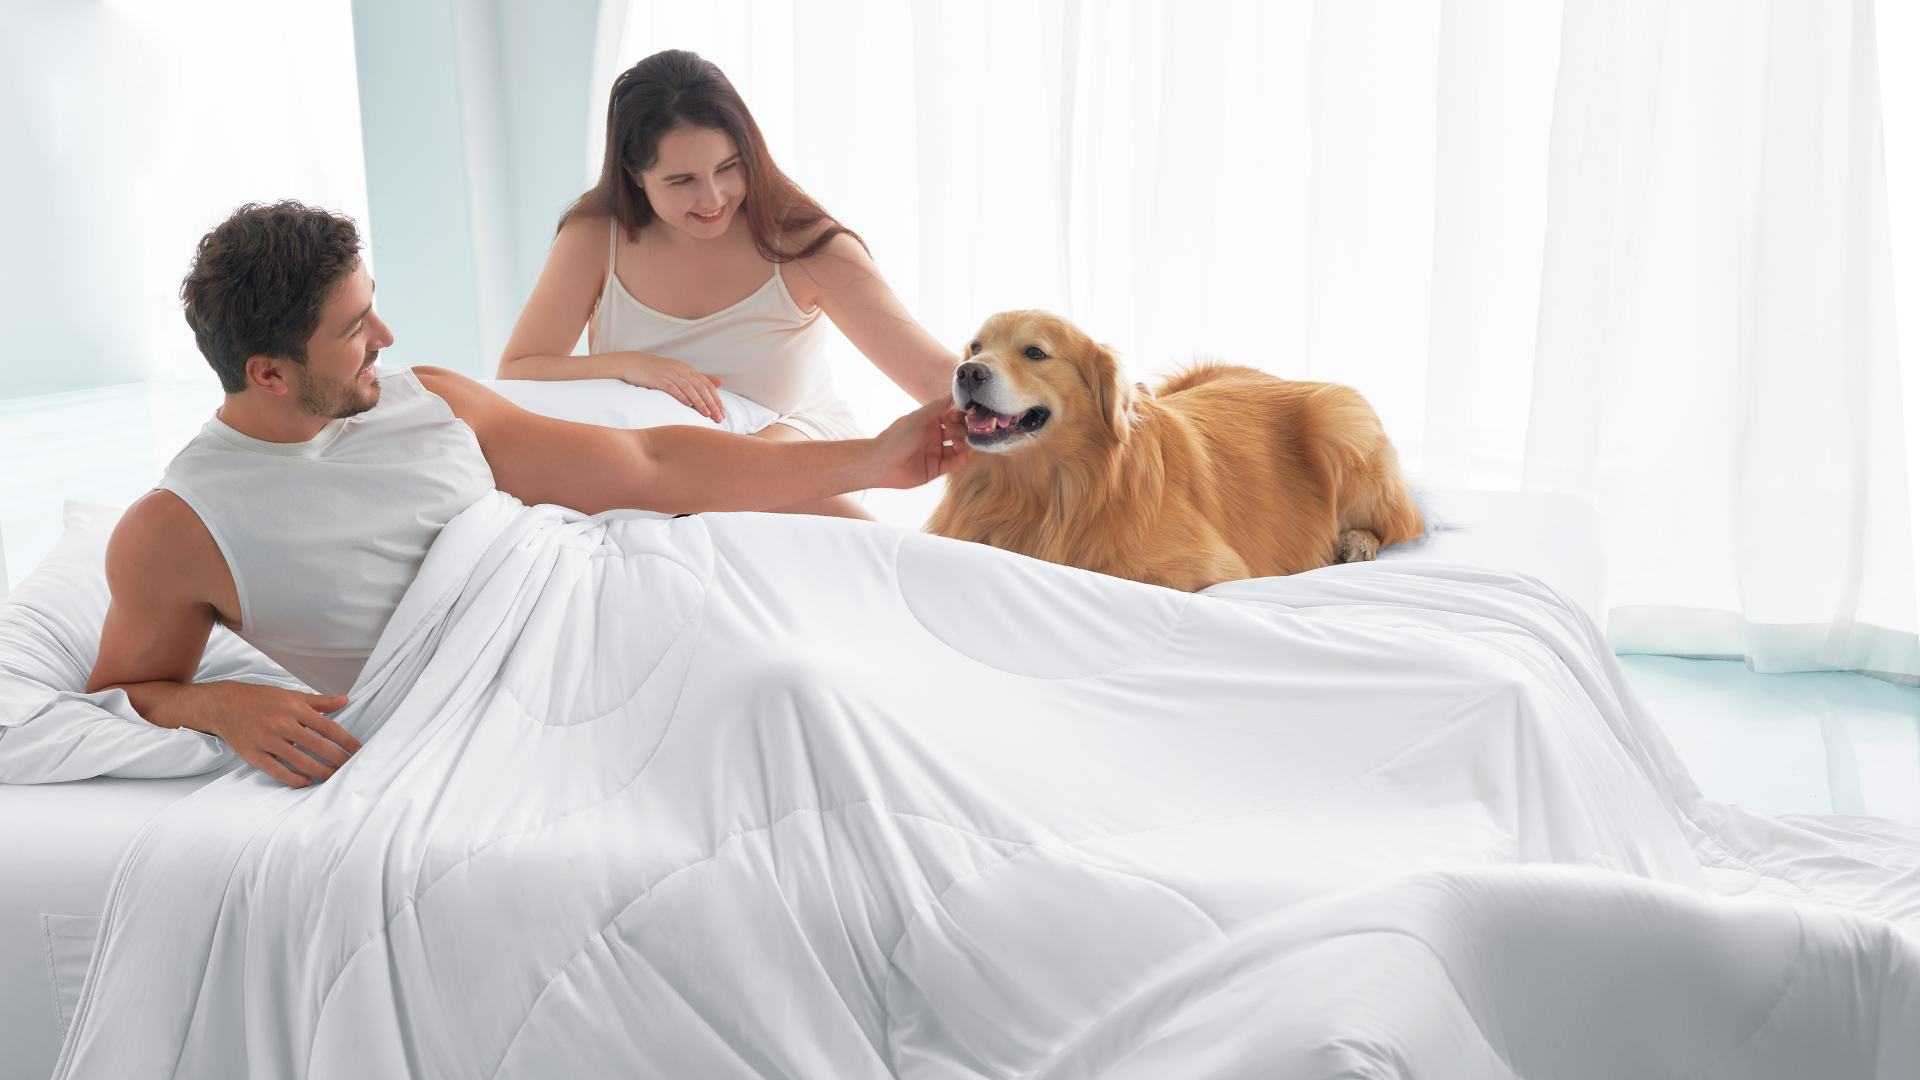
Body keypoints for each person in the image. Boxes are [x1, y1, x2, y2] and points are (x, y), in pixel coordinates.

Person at [86, 200, 966, 789]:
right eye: (355, 329)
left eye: (374, 308)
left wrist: (872, 461)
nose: (386, 338)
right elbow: (125, 693)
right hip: (504, 705)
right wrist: (218, 702)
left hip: (613, 594)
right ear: (268, 373)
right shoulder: (176, 530)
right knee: (796, 704)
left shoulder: (428, 400)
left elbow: (648, 467)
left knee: (846, 656)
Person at [497, 49, 959, 520]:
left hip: (793, 430)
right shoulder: (596, 238)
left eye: (727, 167)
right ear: (635, 176)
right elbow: (518, 370)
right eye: (682, 181)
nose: (712, 198)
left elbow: (931, 373)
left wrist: (1027, 405)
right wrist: (632, 365)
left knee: (740, 498)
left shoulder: (808, 249)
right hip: (661, 453)